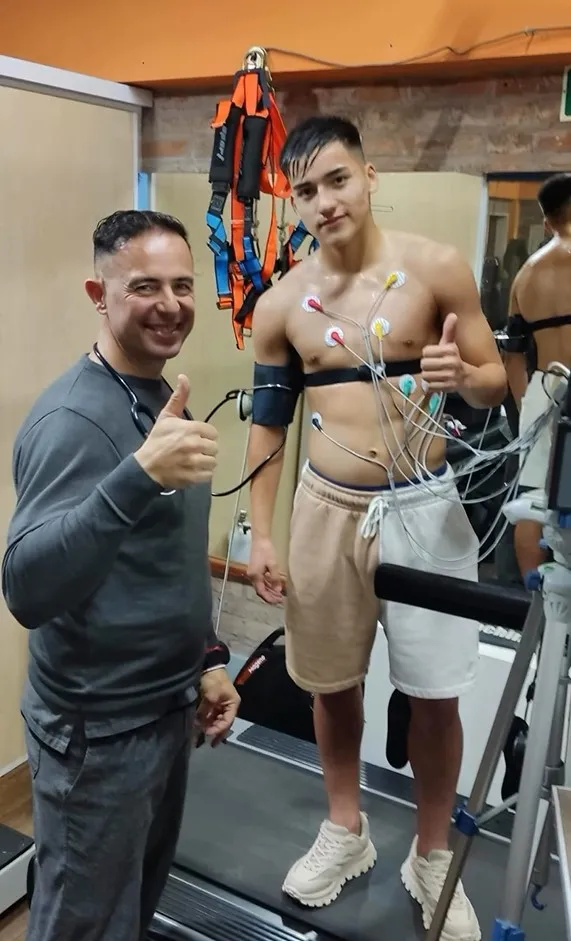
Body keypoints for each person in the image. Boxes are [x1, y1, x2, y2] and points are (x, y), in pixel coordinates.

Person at [245, 116, 506, 941]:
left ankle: (431, 852)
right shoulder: (281, 303)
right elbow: (267, 426)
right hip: (326, 508)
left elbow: (498, 382)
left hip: (425, 506)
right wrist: (260, 532)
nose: (324, 202)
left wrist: (464, 374)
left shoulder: (433, 267)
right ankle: (345, 828)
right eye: (306, 192)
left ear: (369, 174)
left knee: (433, 693)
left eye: (336, 180)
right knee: (329, 682)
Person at [1, 209, 240, 941]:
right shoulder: (75, 417)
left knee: (127, 916)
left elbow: (161, 554)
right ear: (97, 294)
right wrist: (135, 476)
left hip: (161, 713)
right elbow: (28, 588)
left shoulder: (162, 398)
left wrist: (205, 658)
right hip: (97, 736)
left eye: (182, 284)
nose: (170, 304)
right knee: (82, 926)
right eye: (144, 286)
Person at [504, 173, 571, 581]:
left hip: (544, 391)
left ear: (546, 221)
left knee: (536, 501)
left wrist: (524, 409)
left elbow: (512, 356)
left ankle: (536, 596)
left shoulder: (525, 275)